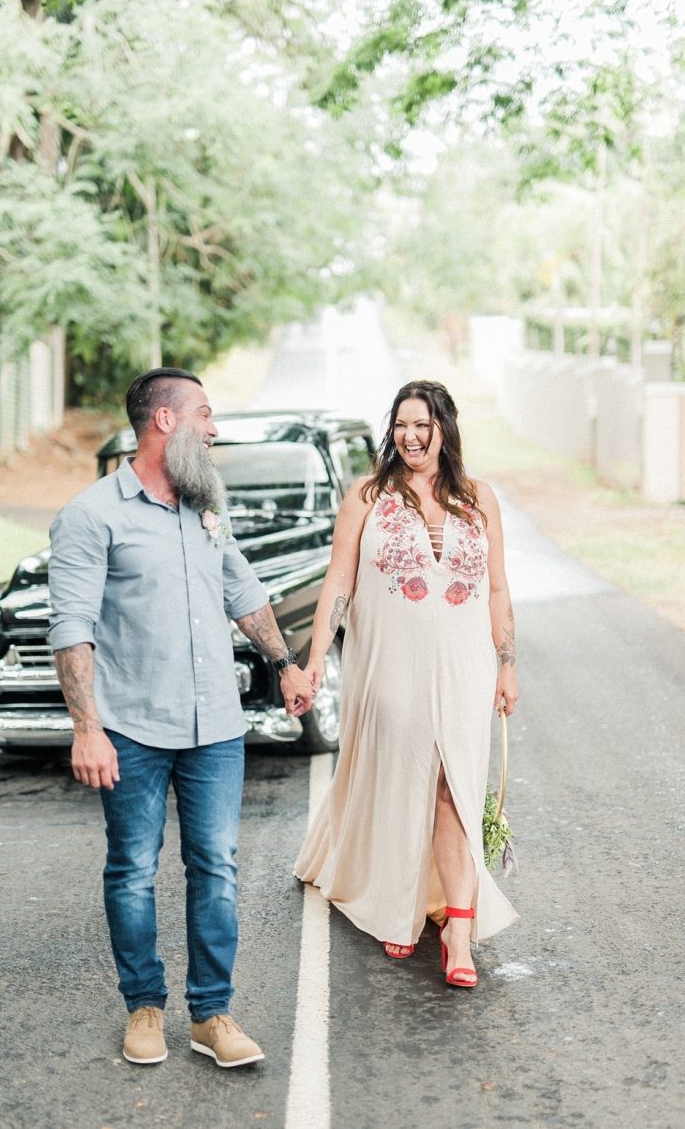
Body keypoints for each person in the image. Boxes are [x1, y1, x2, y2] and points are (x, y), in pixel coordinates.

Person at [48, 368, 313, 1066]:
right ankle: (143, 1007)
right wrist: (87, 726)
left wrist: (283, 662)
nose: (214, 427)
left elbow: (242, 589)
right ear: (163, 422)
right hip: (132, 726)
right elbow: (71, 626)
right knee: (133, 868)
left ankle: (212, 1015)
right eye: (204, 413)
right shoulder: (91, 515)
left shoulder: (205, 507)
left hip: (216, 728)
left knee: (216, 868)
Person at [294, 379, 519, 987]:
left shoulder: (479, 499)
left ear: (445, 428)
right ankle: (394, 899)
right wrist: (317, 661)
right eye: (401, 425)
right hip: (391, 663)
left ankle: (458, 929)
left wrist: (507, 662)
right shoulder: (368, 497)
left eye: (423, 424)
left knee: (454, 785)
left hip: (465, 666)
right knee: (403, 779)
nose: (411, 436)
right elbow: (339, 583)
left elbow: (496, 589)